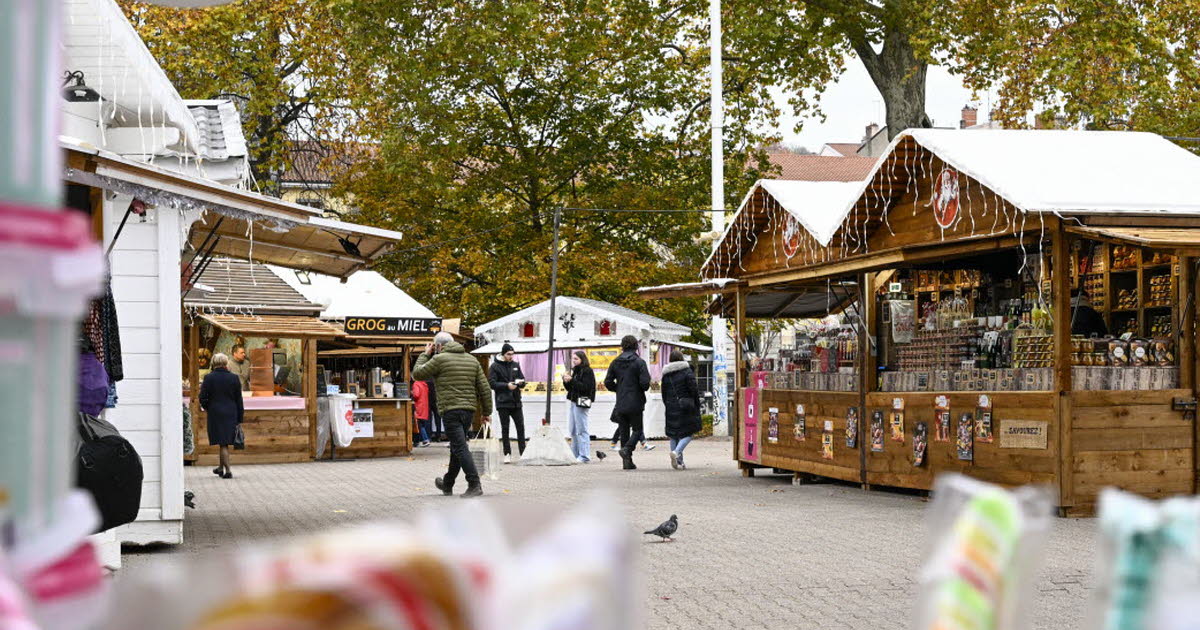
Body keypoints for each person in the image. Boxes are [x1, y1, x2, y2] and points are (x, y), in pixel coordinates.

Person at [413, 332, 492, 498]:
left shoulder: (439, 359)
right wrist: (486, 412)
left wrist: (425, 354)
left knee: (460, 447)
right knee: (457, 446)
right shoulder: (472, 360)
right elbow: (484, 388)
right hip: (468, 410)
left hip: (450, 410)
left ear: (439, 346)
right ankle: (447, 484)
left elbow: (417, 374)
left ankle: (474, 484)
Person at [604, 335, 651, 470]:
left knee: (624, 431)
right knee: (637, 429)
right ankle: (627, 450)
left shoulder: (615, 362)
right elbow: (645, 384)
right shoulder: (639, 362)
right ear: (636, 346)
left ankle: (627, 462)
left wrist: (618, 389)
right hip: (636, 401)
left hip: (621, 402)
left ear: (622, 346)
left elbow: (607, 382)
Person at [200, 352, 244, 479]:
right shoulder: (234, 378)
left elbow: (203, 397)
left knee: (222, 442)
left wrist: (209, 408)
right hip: (231, 412)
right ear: (226, 362)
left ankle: (228, 470)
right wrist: (240, 417)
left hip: (216, 413)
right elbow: (238, 399)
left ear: (214, 362)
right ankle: (220, 468)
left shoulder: (209, 378)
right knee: (223, 442)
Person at [661, 350, 701, 470]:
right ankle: (677, 452)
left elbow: (663, 393)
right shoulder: (687, 372)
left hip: (670, 406)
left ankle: (679, 462)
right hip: (686, 406)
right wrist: (696, 404)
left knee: (674, 435)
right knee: (688, 433)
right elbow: (694, 390)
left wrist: (668, 404)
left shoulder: (666, 375)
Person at [488, 343, 528, 463]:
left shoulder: (515, 365)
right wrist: (506, 386)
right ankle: (507, 453)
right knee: (505, 428)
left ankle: (523, 453)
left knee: (520, 427)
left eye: (512, 354)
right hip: (503, 402)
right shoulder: (494, 366)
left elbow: (522, 378)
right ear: (503, 354)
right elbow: (492, 383)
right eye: (508, 354)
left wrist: (521, 383)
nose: (511, 356)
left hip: (516, 401)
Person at [563, 350, 597, 463]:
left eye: (576, 359)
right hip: (573, 401)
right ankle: (575, 454)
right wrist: (566, 381)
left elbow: (585, 388)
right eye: (573, 359)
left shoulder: (587, 371)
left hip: (582, 401)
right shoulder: (575, 371)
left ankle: (585, 456)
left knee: (582, 429)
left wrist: (572, 380)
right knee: (572, 429)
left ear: (582, 359)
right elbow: (571, 388)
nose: (574, 361)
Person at [411, 379, 431, 447]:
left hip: (418, 406)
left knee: (418, 425)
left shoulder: (416, 384)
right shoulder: (424, 384)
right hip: (424, 406)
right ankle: (417, 441)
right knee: (421, 424)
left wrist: (412, 393)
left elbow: (416, 395)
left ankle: (425, 440)